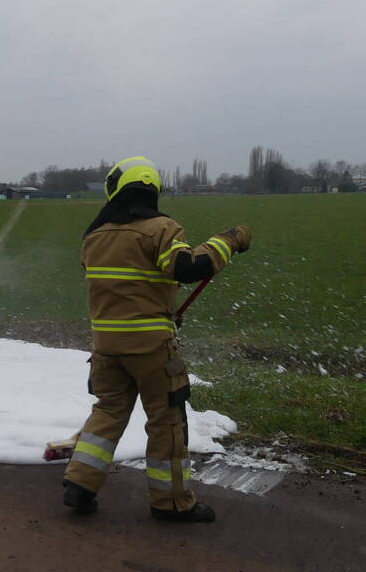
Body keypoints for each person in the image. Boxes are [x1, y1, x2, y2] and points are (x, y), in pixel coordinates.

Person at [62, 156, 251, 523]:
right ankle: (172, 503)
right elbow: (187, 268)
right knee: (167, 422)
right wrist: (227, 241)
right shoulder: (162, 229)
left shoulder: (94, 237)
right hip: (150, 349)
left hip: (105, 347)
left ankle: (79, 484)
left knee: (108, 412)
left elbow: (128, 280)